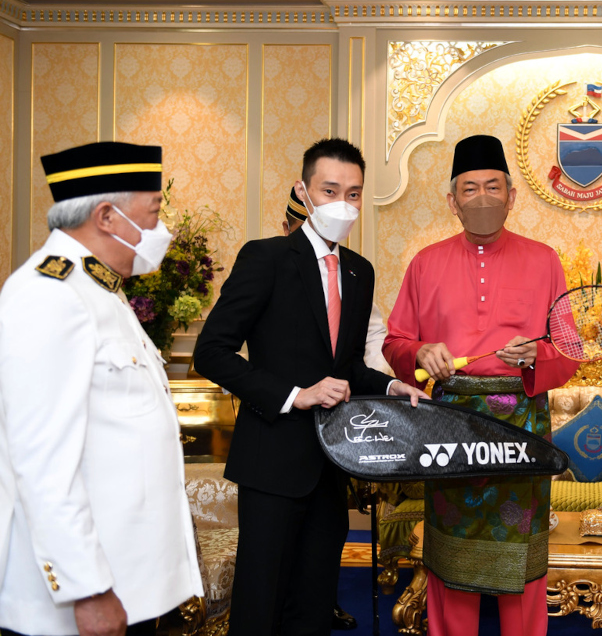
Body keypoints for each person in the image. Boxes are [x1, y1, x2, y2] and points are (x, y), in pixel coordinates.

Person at [193, 138, 427, 636]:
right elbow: (211, 352)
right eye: (330, 190)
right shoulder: (266, 257)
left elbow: (347, 368)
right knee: (260, 605)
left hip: (332, 465)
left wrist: (392, 387)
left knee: (315, 604)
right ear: (304, 190)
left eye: (354, 193)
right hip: (272, 461)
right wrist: (294, 395)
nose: (343, 204)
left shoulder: (359, 271)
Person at [0, 142, 203, 636]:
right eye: (153, 212)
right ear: (108, 216)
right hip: (78, 600)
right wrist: (87, 589)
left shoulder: (100, 290)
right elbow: (42, 463)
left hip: (125, 580)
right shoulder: (49, 295)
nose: (161, 229)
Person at [382, 134, 578, 636]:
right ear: (452, 201)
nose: (483, 197)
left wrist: (536, 355)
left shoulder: (544, 259)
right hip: (450, 425)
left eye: (494, 186)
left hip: (520, 426)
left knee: (522, 562)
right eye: (470, 189)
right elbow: (396, 341)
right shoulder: (425, 262)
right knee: (451, 559)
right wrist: (419, 353)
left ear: (512, 196)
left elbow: (568, 351)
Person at [283, 186, 392, 375]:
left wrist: (379, 378)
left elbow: (372, 333)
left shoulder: (354, 271)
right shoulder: (270, 267)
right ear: (287, 230)